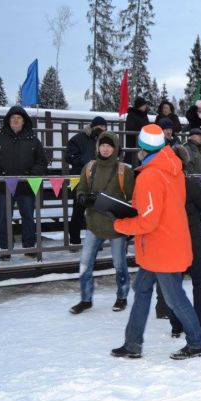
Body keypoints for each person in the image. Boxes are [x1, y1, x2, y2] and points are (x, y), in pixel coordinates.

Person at [111, 124, 201, 360]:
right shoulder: (173, 169)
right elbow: (158, 209)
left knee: (174, 298)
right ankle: (132, 343)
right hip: (163, 245)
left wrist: (120, 224)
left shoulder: (151, 175)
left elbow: (148, 221)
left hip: (162, 247)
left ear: (142, 149)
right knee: (142, 289)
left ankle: (196, 342)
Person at [69, 132, 134, 314]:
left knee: (119, 264)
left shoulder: (124, 170)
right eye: (102, 145)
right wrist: (82, 197)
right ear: (98, 147)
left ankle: (122, 296)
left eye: (109, 146)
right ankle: (85, 299)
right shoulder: (89, 167)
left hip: (117, 227)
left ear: (115, 148)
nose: (105, 149)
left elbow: (133, 196)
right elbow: (81, 188)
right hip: (94, 224)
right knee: (84, 262)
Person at [0, 106, 48, 261]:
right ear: (8, 120)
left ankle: (30, 246)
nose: (15, 120)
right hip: (4, 185)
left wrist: (32, 174)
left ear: (24, 121)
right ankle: (5, 248)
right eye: (12, 118)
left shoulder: (33, 139)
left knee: (28, 217)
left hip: (26, 186)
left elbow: (42, 161)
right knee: (5, 217)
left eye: (18, 117)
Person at [170, 145, 201, 339]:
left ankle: (176, 325)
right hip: (193, 241)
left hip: (172, 241)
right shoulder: (188, 183)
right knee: (200, 285)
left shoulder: (162, 183)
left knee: (174, 286)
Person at [65, 116, 107, 246]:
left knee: (98, 212)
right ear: (92, 127)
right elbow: (69, 156)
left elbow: (118, 152)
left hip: (100, 179)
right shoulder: (78, 139)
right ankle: (75, 240)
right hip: (80, 179)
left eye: (104, 128)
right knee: (78, 211)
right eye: (99, 127)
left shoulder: (106, 140)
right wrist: (87, 161)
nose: (101, 130)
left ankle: (97, 241)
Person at [124, 97, 149, 166]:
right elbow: (129, 128)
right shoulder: (131, 115)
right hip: (133, 143)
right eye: (143, 105)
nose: (145, 106)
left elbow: (147, 126)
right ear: (139, 105)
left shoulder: (145, 115)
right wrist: (141, 131)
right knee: (133, 164)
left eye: (145, 105)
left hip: (144, 143)